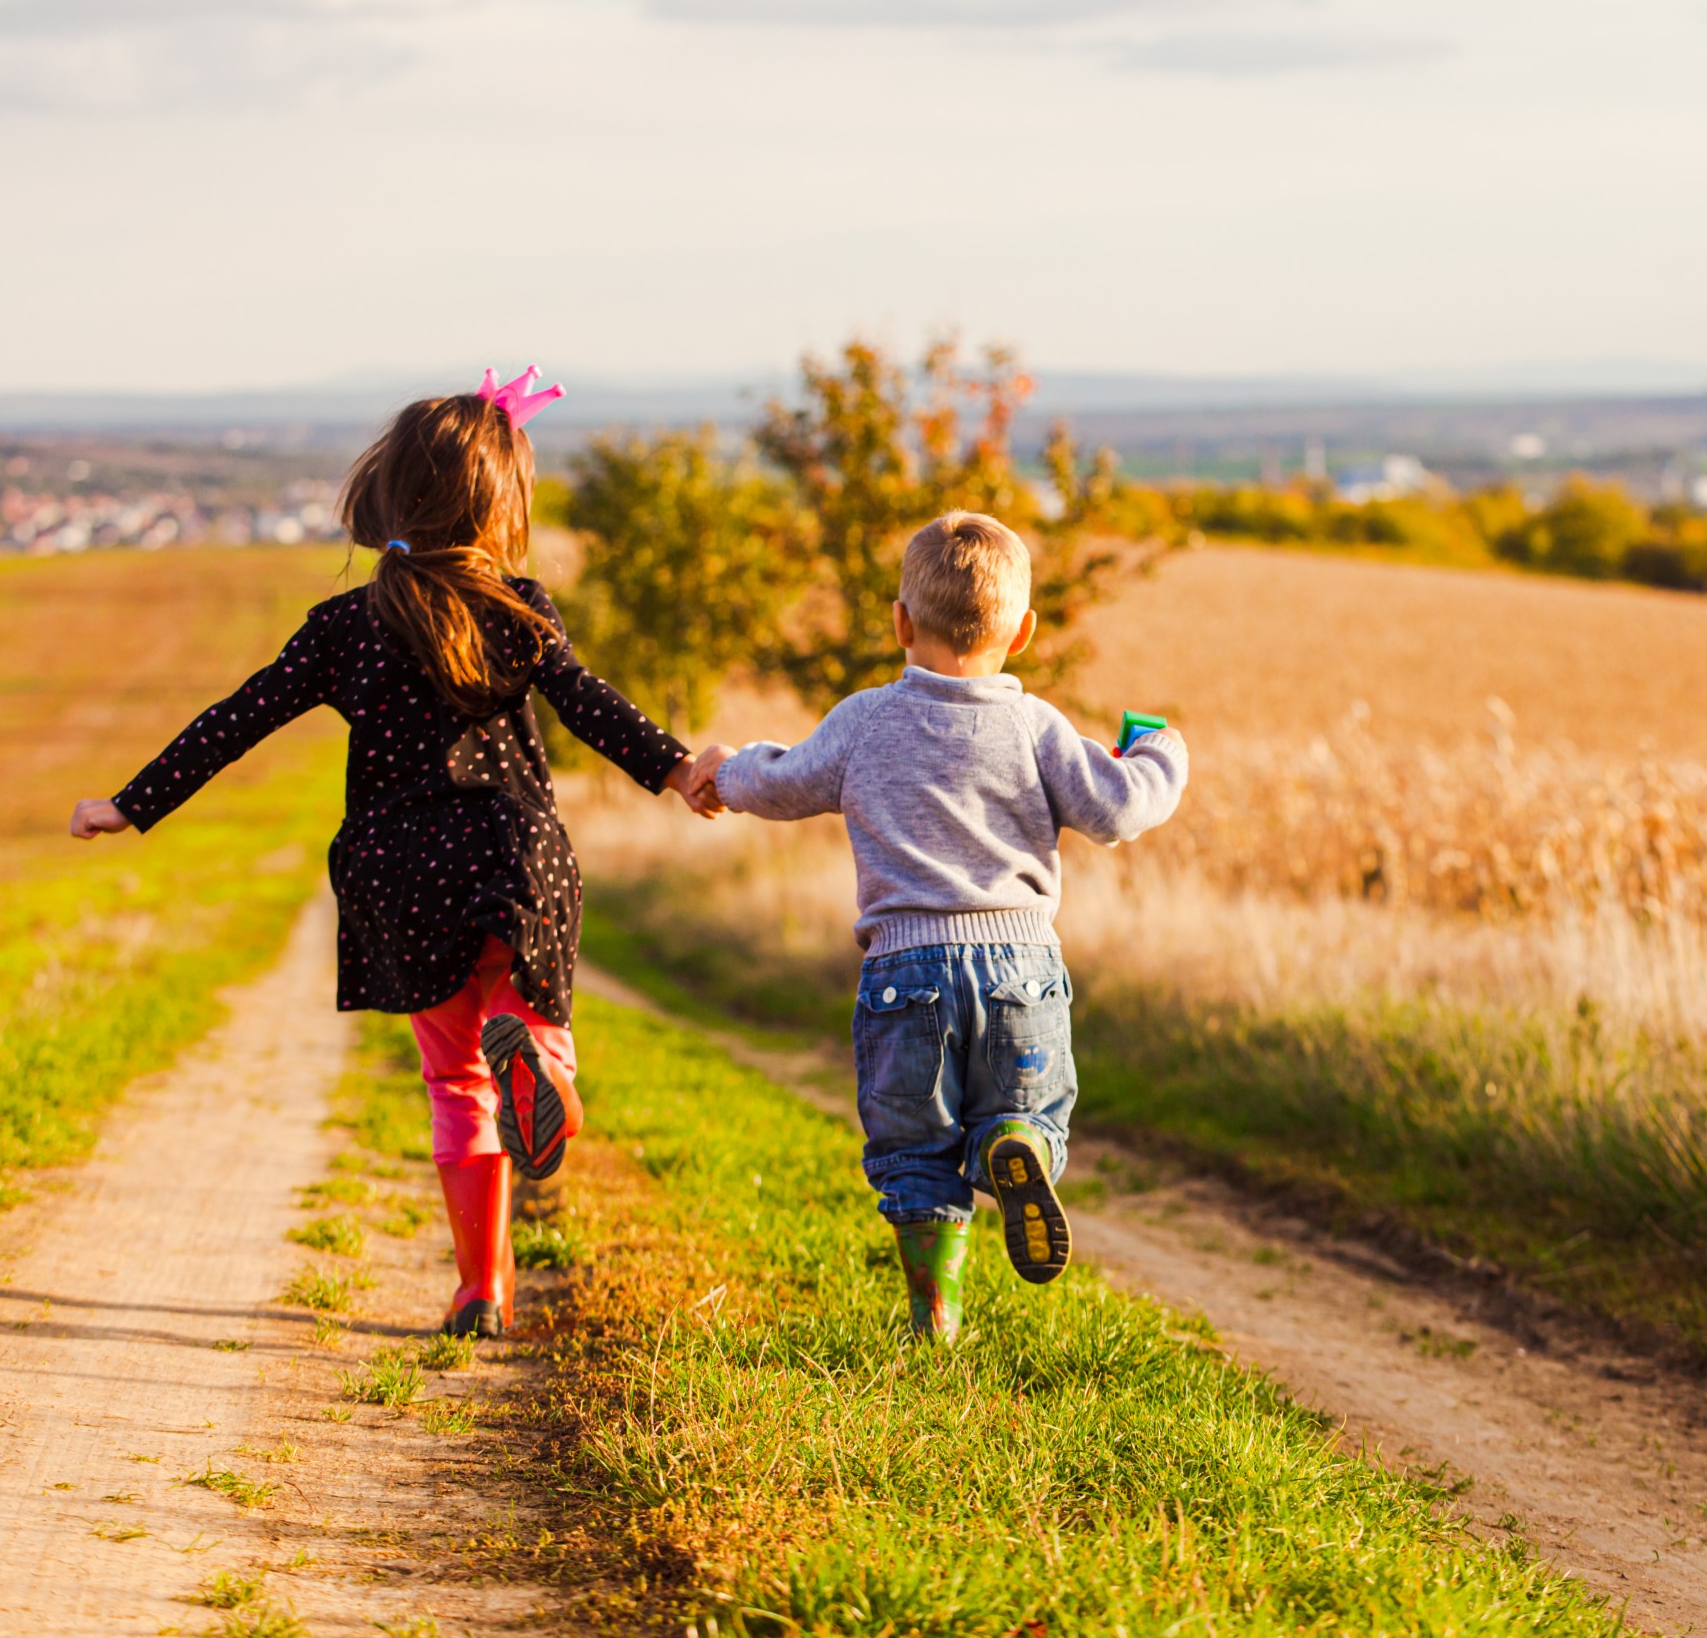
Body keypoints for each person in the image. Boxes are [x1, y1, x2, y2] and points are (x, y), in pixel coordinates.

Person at [70, 368, 721, 1339]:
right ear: (502, 506)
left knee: (454, 1082)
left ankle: (478, 1289)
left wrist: (133, 802)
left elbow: (235, 719)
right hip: (508, 856)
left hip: (394, 874)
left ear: (386, 494)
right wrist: (676, 769)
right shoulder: (520, 610)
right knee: (520, 999)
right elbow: (592, 708)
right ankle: (540, 1059)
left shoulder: (344, 627)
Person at [693, 512, 1188, 1342]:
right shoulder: (1037, 729)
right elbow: (1118, 810)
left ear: (899, 622)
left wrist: (725, 772)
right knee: (1029, 1114)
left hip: (904, 971)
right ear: (1024, 633)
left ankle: (936, 1316)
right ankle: (1017, 1139)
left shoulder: (865, 719)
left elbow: (783, 783)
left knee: (915, 1156)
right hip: (1021, 968)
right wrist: (1162, 753)